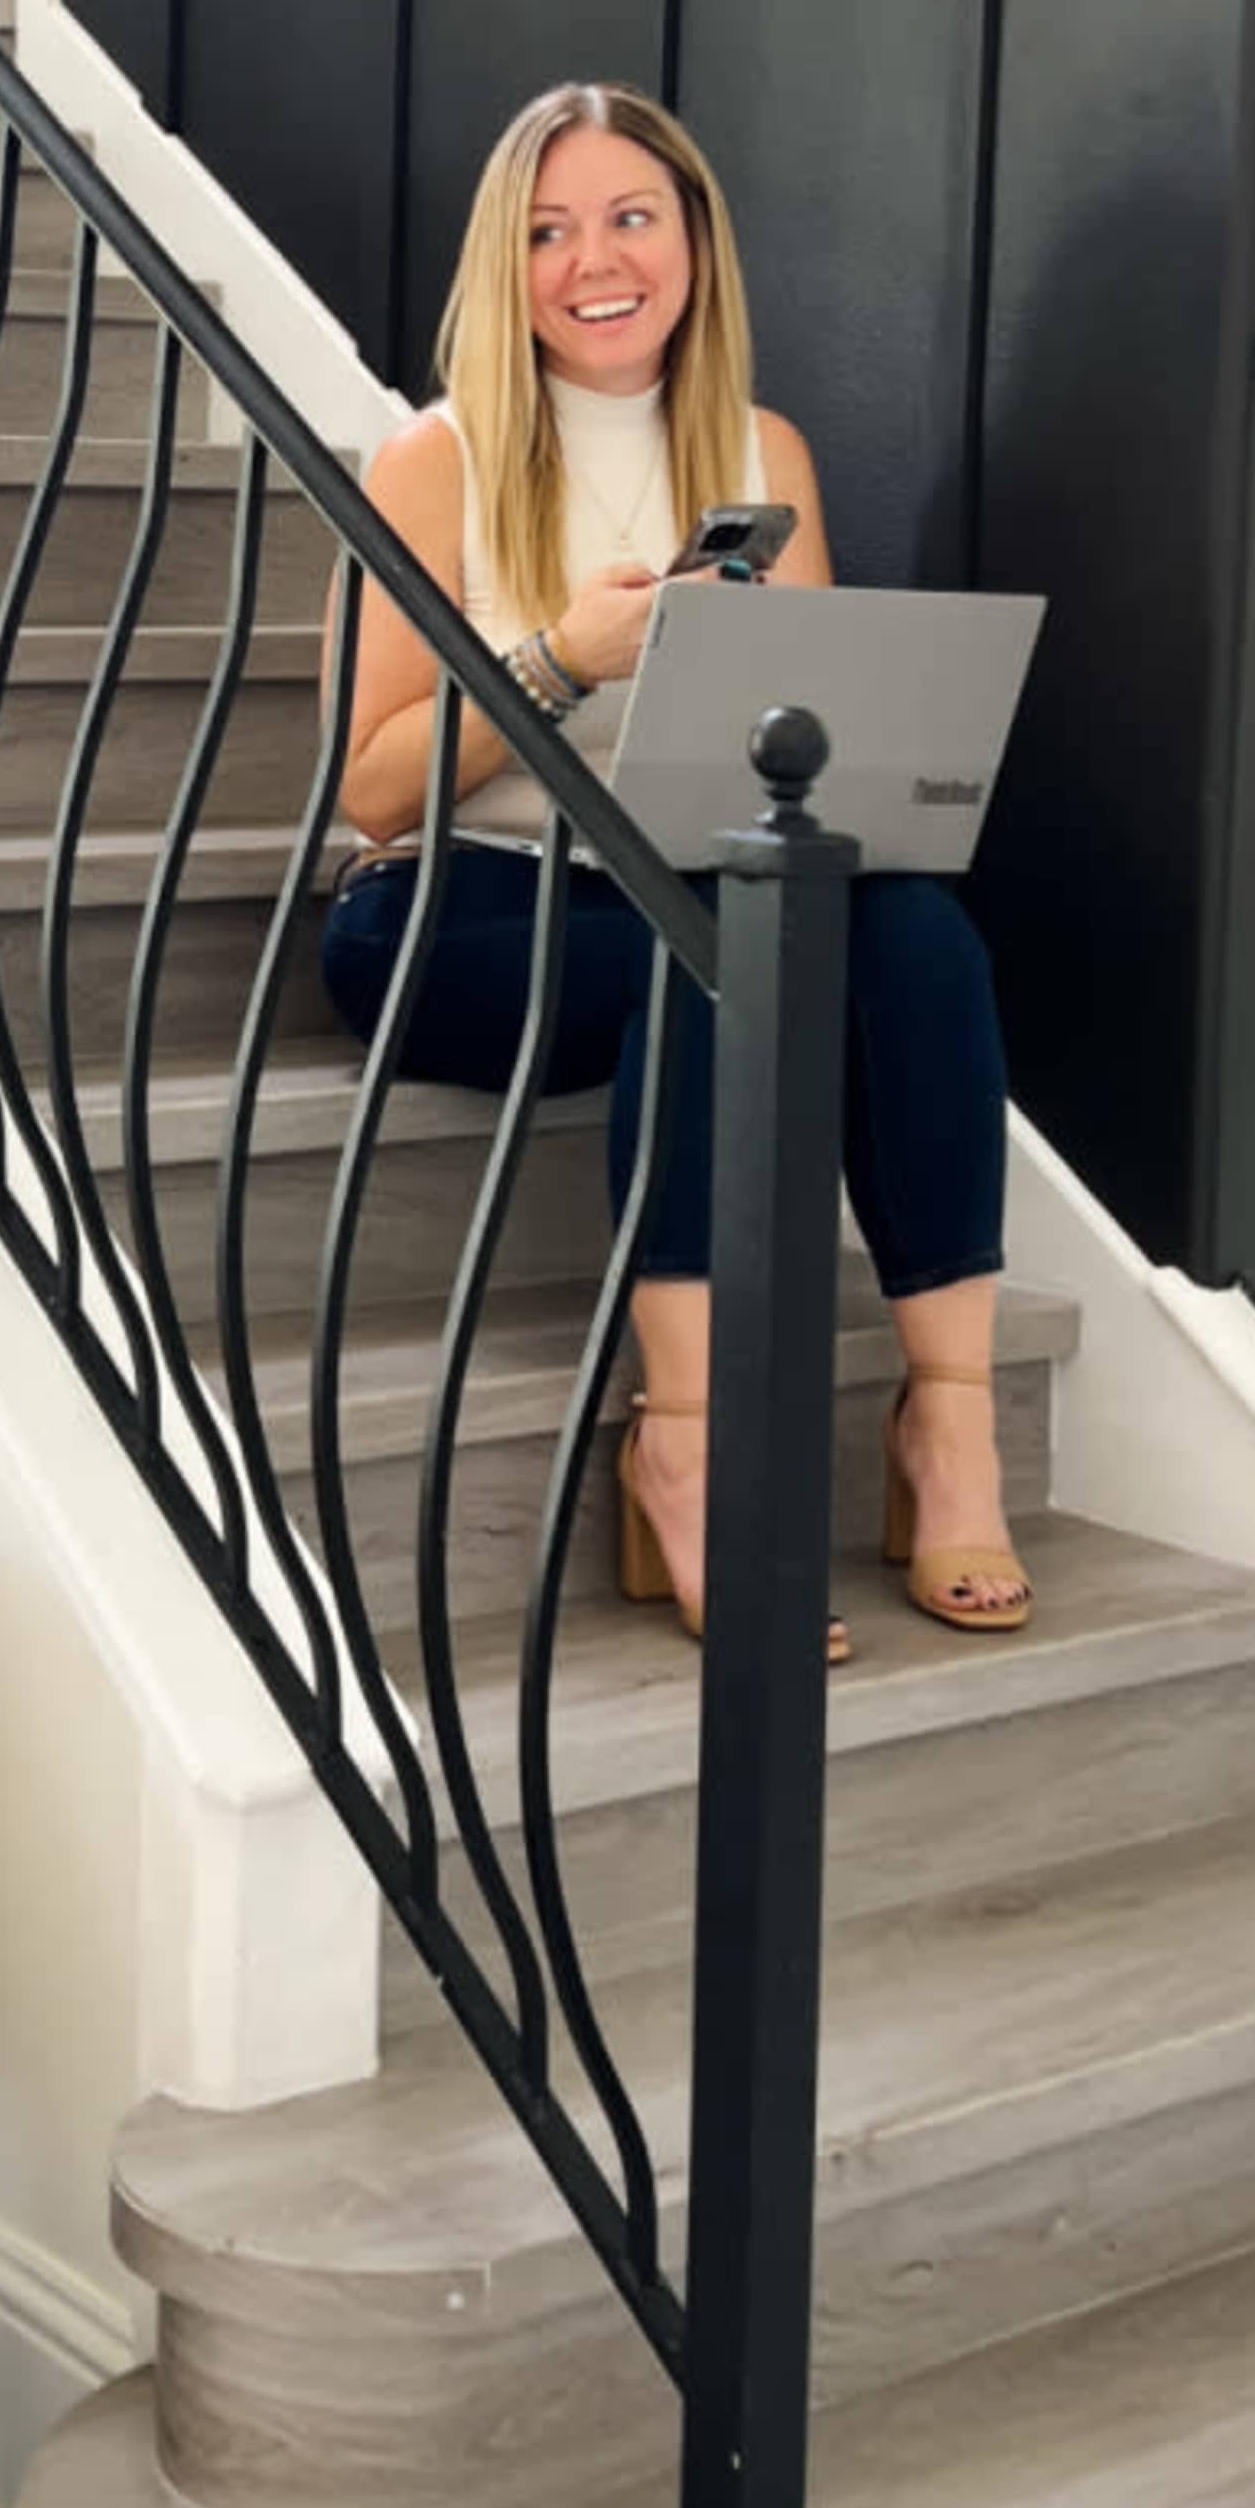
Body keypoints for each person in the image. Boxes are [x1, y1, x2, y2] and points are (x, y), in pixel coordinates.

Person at [317, 80, 1028, 1646]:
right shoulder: (431, 461)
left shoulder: (761, 450)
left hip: (680, 881)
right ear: (505, 266)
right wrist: (559, 661)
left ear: (693, 241)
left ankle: (948, 1426)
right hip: (459, 904)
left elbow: (818, 743)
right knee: (723, 955)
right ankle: (685, 1453)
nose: (594, 261)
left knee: (913, 938)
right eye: (549, 232)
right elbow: (373, 791)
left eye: (630, 217)